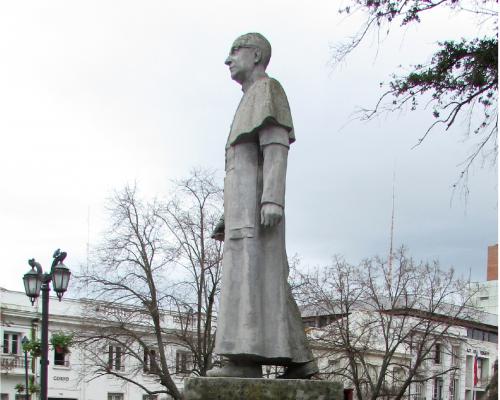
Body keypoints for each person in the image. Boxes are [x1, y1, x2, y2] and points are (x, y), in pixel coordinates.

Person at [208, 32, 318, 379]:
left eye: (235, 51)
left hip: (260, 210)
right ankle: (299, 361)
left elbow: (275, 146)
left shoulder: (268, 90)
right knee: (258, 279)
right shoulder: (247, 99)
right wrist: (228, 214)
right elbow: (243, 166)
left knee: (259, 277)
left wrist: (272, 199)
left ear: (256, 55)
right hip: (243, 209)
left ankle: (246, 360)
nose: (228, 59)